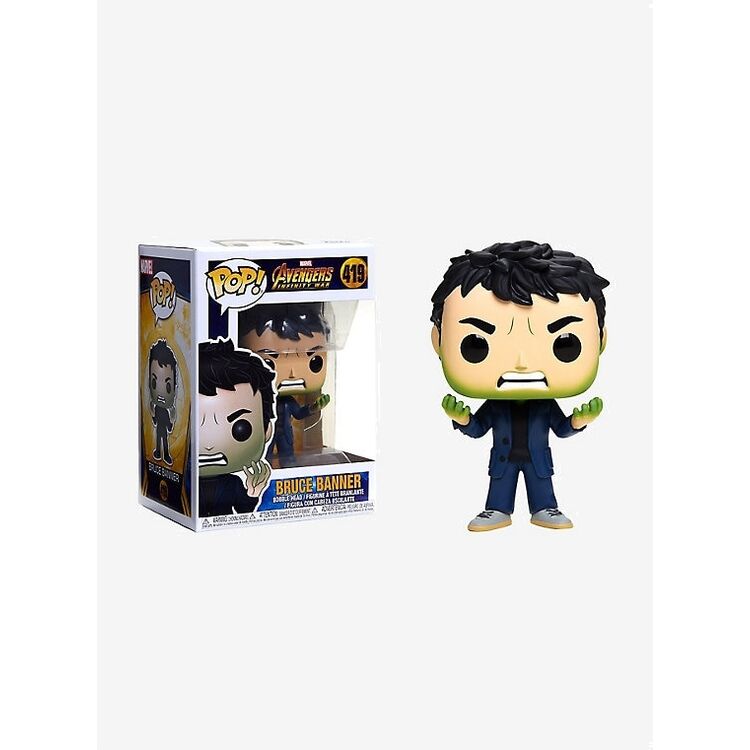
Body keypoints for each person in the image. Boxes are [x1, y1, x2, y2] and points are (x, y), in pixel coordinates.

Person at [430, 241, 609, 531]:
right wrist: (463, 419)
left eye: (565, 344)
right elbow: (479, 428)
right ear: (438, 340)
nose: (522, 363)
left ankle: (545, 508)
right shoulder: (495, 404)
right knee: (500, 487)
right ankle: (497, 509)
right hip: (503, 460)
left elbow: (561, 428)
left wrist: (578, 422)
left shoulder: (545, 404)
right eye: (476, 344)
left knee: (542, 486)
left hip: (539, 461)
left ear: (600, 340)